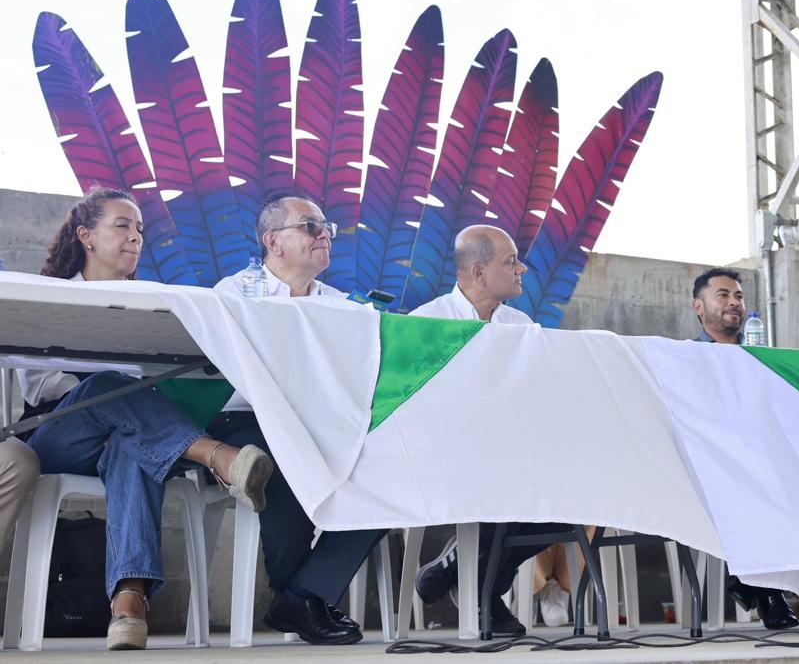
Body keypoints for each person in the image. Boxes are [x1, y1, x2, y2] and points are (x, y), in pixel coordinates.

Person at [18, 188, 273, 651]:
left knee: (132, 447)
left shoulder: (154, 305)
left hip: (134, 438)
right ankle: (218, 456)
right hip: (59, 436)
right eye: (122, 225)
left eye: (139, 229)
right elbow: (40, 387)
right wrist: (109, 385)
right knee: (107, 386)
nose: (135, 236)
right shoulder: (50, 297)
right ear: (86, 236)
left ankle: (129, 603)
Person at [212, 194, 387, 645]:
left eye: (326, 225)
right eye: (310, 225)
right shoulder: (235, 294)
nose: (324, 233)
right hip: (247, 420)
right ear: (273, 241)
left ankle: (302, 595)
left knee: (389, 474)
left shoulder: (345, 307)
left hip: (321, 423)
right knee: (281, 460)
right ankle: (304, 598)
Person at [411, 224, 560, 637]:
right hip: (447, 453)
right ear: (478, 273)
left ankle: (454, 569)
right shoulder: (425, 323)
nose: (522, 270)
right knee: (499, 475)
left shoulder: (522, 326)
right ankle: (484, 595)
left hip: (512, 451)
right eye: (511, 262)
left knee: (567, 493)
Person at [689, 267, 799, 630]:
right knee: (754, 484)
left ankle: (749, 583)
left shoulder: (761, 357)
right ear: (699, 307)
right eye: (722, 295)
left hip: (761, 462)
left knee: (791, 479)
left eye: (738, 296)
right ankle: (769, 594)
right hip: (709, 469)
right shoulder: (684, 359)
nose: (734, 302)